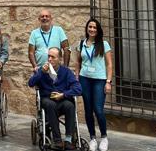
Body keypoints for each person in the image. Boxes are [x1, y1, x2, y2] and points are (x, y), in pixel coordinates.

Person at [28, 47, 81, 150]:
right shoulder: (41, 70)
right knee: (50, 104)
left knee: (70, 105)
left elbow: (78, 88)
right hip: (47, 99)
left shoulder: (66, 72)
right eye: (49, 56)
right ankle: (57, 140)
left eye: (53, 57)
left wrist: (63, 94)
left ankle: (68, 140)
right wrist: (41, 72)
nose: (50, 59)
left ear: (60, 59)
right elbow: (31, 83)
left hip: (62, 99)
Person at [74, 18, 113, 151]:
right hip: (85, 79)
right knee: (88, 110)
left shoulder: (104, 44)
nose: (92, 29)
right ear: (87, 28)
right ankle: (92, 138)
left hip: (99, 80)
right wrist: (77, 77)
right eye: (90, 27)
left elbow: (109, 64)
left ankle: (104, 137)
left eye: (95, 27)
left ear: (98, 30)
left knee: (98, 109)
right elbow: (78, 62)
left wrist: (108, 82)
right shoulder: (81, 44)